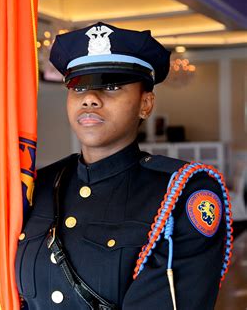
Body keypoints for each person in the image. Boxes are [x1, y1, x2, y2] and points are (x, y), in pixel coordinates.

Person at [16, 22, 232, 309]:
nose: (90, 99)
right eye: (79, 87)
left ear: (146, 104)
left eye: (112, 86)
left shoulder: (181, 193)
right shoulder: (37, 185)